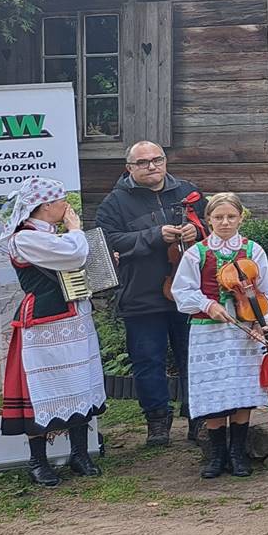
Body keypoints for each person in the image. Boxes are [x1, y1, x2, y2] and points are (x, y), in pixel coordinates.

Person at [93, 140, 206, 447]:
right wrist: (154, 236)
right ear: (129, 168)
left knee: (194, 357)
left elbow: (213, 224)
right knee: (147, 360)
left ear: (165, 161)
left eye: (157, 160)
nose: (152, 166)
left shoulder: (187, 191)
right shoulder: (114, 202)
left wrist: (199, 230)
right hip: (141, 292)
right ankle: (157, 420)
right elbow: (107, 242)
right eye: (143, 162)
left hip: (188, 291)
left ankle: (199, 417)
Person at [0, 178, 107, 486]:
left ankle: (79, 453)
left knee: (78, 382)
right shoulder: (25, 239)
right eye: (61, 201)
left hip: (74, 318)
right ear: (46, 206)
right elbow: (73, 255)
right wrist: (75, 228)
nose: (66, 206)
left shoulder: (49, 235)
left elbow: (78, 261)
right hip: (44, 324)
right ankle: (38, 461)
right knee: (42, 388)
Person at [169, 193, 268, 480]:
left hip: (244, 329)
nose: (225, 222)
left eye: (231, 216)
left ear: (241, 217)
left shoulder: (254, 250)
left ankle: (237, 453)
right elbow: (182, 291)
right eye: (218, 217)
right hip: (208, 331)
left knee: (242, 388)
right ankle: (216, 454)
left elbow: (266, 292)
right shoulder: (197, 252)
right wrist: (208, 304)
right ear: (209, 220)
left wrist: (259, 322)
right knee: (214, 389)